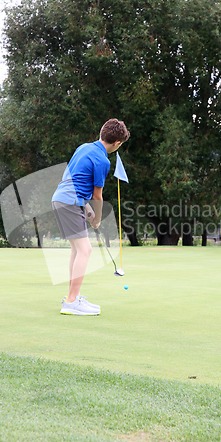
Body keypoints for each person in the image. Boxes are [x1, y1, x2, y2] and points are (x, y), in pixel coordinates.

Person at [51, 118, 130, 315]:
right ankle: (71, 302)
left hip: (62, 199)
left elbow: (74, 180)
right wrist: (96, 219)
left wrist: (86, 210)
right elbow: (98, 196)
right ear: (117, 143)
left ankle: (73, 297)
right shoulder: (103, 160)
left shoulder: (83, 147)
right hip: (69, 202)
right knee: (85, 250)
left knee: (77, 250)